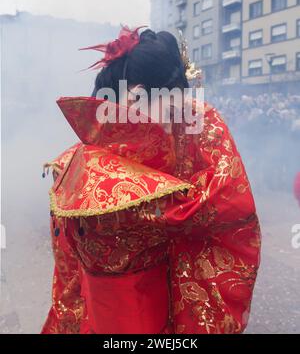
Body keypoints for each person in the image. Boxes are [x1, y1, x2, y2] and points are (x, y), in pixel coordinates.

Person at [41, 26, 261, 334]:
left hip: (157, 314)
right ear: (135, 96)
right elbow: (69, 263)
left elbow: (227, 199)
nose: (178, 119)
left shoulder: (190, 126)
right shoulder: (78, 164)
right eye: (171, 108)